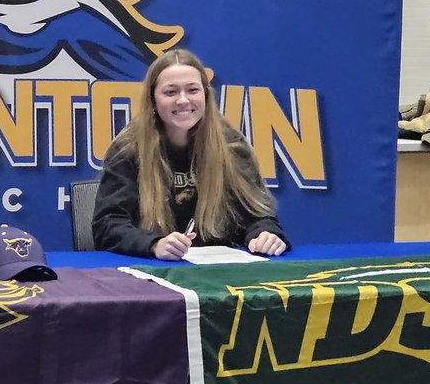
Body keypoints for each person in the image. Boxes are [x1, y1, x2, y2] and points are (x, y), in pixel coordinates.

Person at [92, 49, 289, 260]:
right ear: (153, 100)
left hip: (219, 272)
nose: (183, 100)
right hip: (149, 272)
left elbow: (258, 214)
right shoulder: (128, 148)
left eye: (193, 90)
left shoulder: (232, 145)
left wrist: (265, 234)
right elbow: (108, 226)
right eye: (171, 92)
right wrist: (154, 244)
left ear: (206, 95)